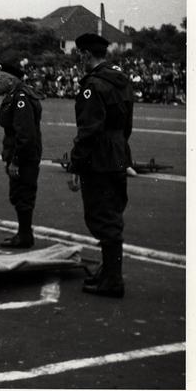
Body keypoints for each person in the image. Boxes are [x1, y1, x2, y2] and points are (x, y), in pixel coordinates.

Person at [68, 33, 133, 298]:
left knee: (101, 217)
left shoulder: (93, 84)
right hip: (118, 151)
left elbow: (89, 130)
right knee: (112, 214)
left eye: (79, 55)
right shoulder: (121, 80)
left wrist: (75, 165)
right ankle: (109, 273)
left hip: (99, 157)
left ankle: (113, 280)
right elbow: (127, 124)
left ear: (85, 54)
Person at [0, 63, 43, 248]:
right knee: (19, 194)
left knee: (23, 194)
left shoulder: (20, 97)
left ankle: (25, 235)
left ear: (10, 80)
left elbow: (25, 134)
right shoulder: (16, 94)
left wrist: (16, 160)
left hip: (23, 156)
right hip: (20, 153)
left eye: (0, 79)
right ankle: (24, 233)